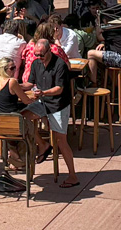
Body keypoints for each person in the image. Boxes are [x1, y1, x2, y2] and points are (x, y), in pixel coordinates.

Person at [23, 35, 79, 187]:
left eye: (41, 54)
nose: (39, 57)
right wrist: (15, 87)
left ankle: (73, 176)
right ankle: (43, 145)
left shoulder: (59, 64)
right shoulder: (36, 63)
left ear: (49, 51)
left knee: (61, 140)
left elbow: (59, 89)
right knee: (22, 119)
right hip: (43, 102)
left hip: (58, 104)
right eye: (36, 54)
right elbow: (29, 83)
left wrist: (43, 92)